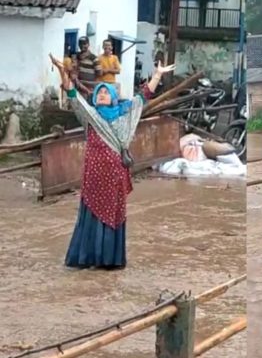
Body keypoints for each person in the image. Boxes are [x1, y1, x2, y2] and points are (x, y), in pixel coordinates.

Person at [50, 54, 175, 270]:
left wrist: (156, 76)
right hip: (94, 176)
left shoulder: (125, 114)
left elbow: (143, 97)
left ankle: (109, 260)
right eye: (100, 93)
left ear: (114, 97)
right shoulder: (90, 115)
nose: (103, 95)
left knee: (112, 213)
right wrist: (63, 72)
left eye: (107, 92)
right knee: (91, 212)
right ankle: (86, 258)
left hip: (114, 174)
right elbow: (72, 95)